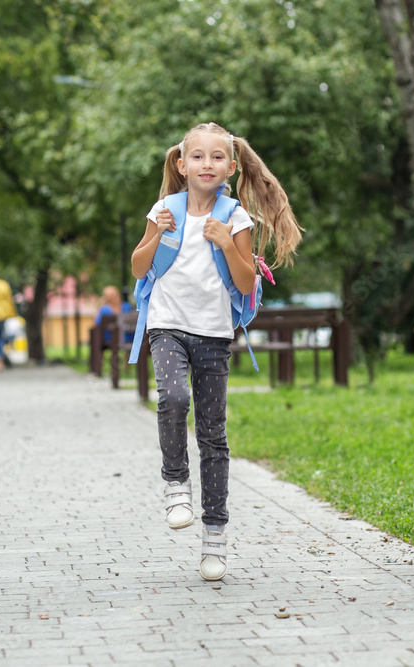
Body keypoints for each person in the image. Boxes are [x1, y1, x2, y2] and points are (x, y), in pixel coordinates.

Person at [131, 122, 302, 581]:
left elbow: (245, 282)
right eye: (198, 157)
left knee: (213, 437)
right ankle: (174, 483)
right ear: (181, 164)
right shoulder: (163, 208)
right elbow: (137, 265)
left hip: (212, 335)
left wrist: (227, 242)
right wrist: (155, 234)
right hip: (166, 326)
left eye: (217, 157)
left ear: (230, 166)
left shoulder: (235, 216)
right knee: (171, 398)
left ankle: (214, 540)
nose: (207, 164)